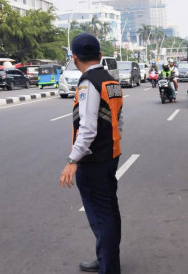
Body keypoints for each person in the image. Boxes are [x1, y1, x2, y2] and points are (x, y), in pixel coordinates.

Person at [60, 33, 123, 274]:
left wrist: (72, 161)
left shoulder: (89, 83)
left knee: (101, 215)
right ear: (99, 55)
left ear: (74, 59)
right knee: (110, 210)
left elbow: (87, 129)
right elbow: (118, 120)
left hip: (94, 160)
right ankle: (106, 258)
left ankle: (109, 267)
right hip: (110, 155)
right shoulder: (111, 81)